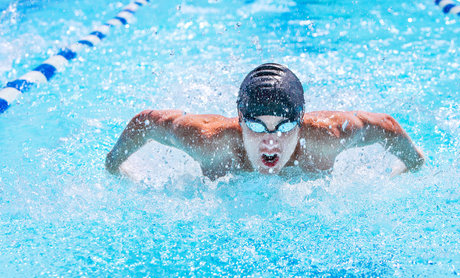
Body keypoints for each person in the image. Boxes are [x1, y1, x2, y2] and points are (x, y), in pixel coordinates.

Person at [105, 63, 424, 180]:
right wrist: (114, 166)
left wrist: (413, 165)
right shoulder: (208, 140)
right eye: (257, 127)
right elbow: (145, 121)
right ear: (240, 120)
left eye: (284, 127)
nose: (271, 141)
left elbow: (385, 125)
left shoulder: (327, 136)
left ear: (300, 123)